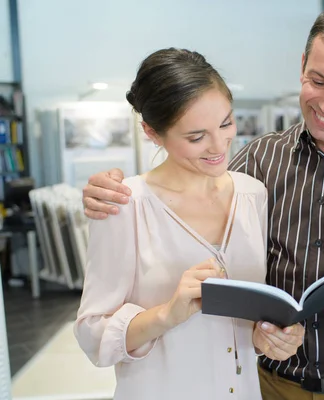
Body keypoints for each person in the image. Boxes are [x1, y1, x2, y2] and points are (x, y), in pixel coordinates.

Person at [82, 7, 324, 399]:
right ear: (302, 67)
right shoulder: (257, 163)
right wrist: (106, 191)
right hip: (270, 385)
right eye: (318, 81)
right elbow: (191, 175)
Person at [74, 48, 304, 400]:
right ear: (152, 132)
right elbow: (93, 334)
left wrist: (265, 338)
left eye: (226, 123)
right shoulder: (124, 204)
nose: (219, 145)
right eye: (196, 137)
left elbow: (242, 327)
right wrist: (166, 314)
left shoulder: (252, 194)